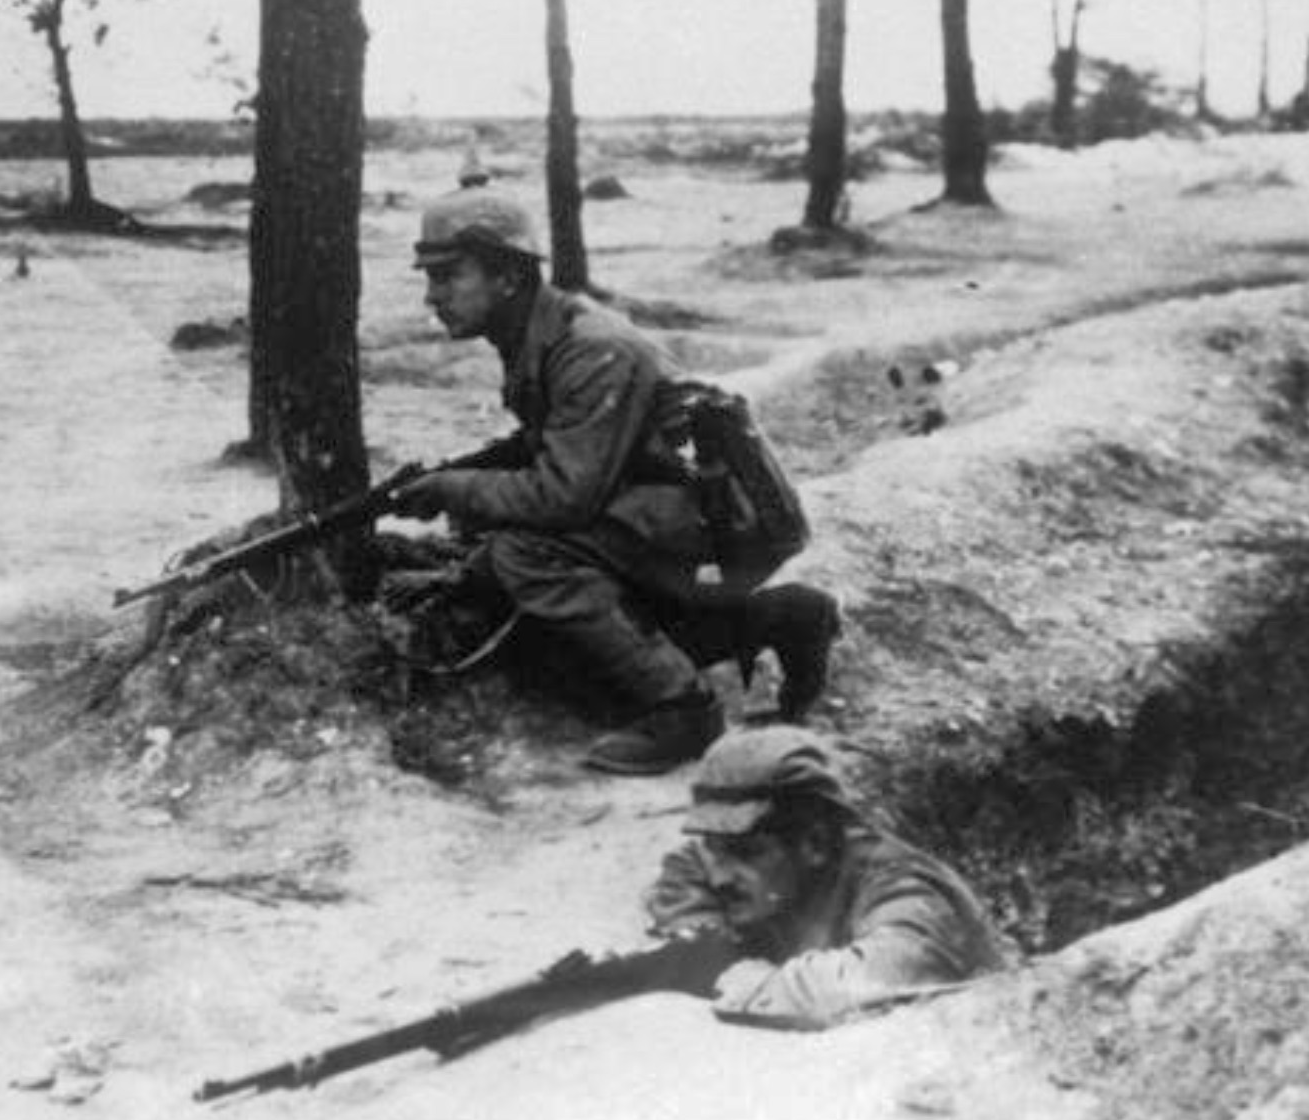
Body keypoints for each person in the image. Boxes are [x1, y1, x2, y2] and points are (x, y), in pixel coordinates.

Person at [390, 179, 840, 776]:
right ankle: (781, 618)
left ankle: (684, 709)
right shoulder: (541, 333)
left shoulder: (590, 348)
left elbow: (563, 496)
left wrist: (454, 491)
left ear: (508, 276)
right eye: (430, 278)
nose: (432, 296)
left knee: (526, 553)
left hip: (720, 524)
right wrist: (462, 475)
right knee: (563, 661)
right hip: (670, 514)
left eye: (448, 276)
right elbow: (550, 442)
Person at [644, 726, 1009, 1029]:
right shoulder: (727, 861)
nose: (720, 876)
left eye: (746, 852)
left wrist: (740, 977)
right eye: (714, 847)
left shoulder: (901, 885)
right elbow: (684, 876)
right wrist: (710, 946)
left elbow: (882, 976)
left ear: (814, 844)